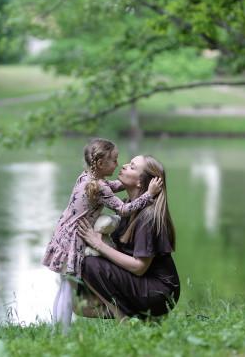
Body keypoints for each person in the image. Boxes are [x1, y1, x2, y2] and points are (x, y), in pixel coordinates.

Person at [42, 139, 163, 331]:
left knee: (64, 287)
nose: (118, 164)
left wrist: (129, 183)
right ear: (100, 163)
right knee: (68, 289)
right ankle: (61, 334)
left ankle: (57, 331)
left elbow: (112, 187)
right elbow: (123, 209)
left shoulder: (86, 178)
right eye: (114, 160)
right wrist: (148, 194)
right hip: (73, 241)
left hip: (63, 235)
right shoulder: (99, 187)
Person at [77, 154, 180, 320]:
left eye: (132, 166)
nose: (124, 166)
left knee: (88, 263)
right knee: (80, 301)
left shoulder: (148, 217)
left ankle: (124, 318)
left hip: (160, 293)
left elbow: (140, 267)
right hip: (143, 283)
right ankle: (138, 317)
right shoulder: (128, 208)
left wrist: (99, 245)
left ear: (140, 182)